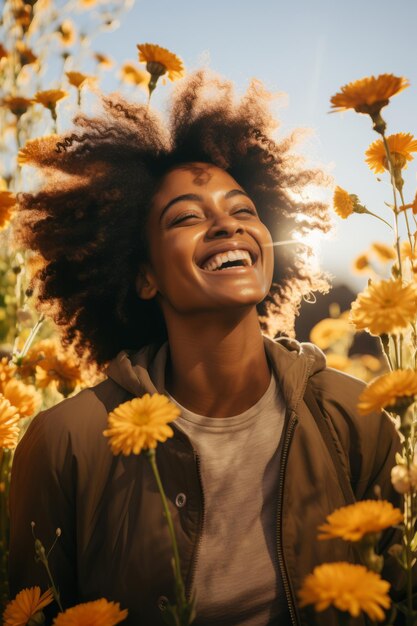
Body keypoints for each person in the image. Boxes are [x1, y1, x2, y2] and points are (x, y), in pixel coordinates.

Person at [9, 71, 401, 626]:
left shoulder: (355, 419)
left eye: (244, 211)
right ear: (145, 277)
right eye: (188, 217)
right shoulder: (64, 446)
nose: (226, 226)